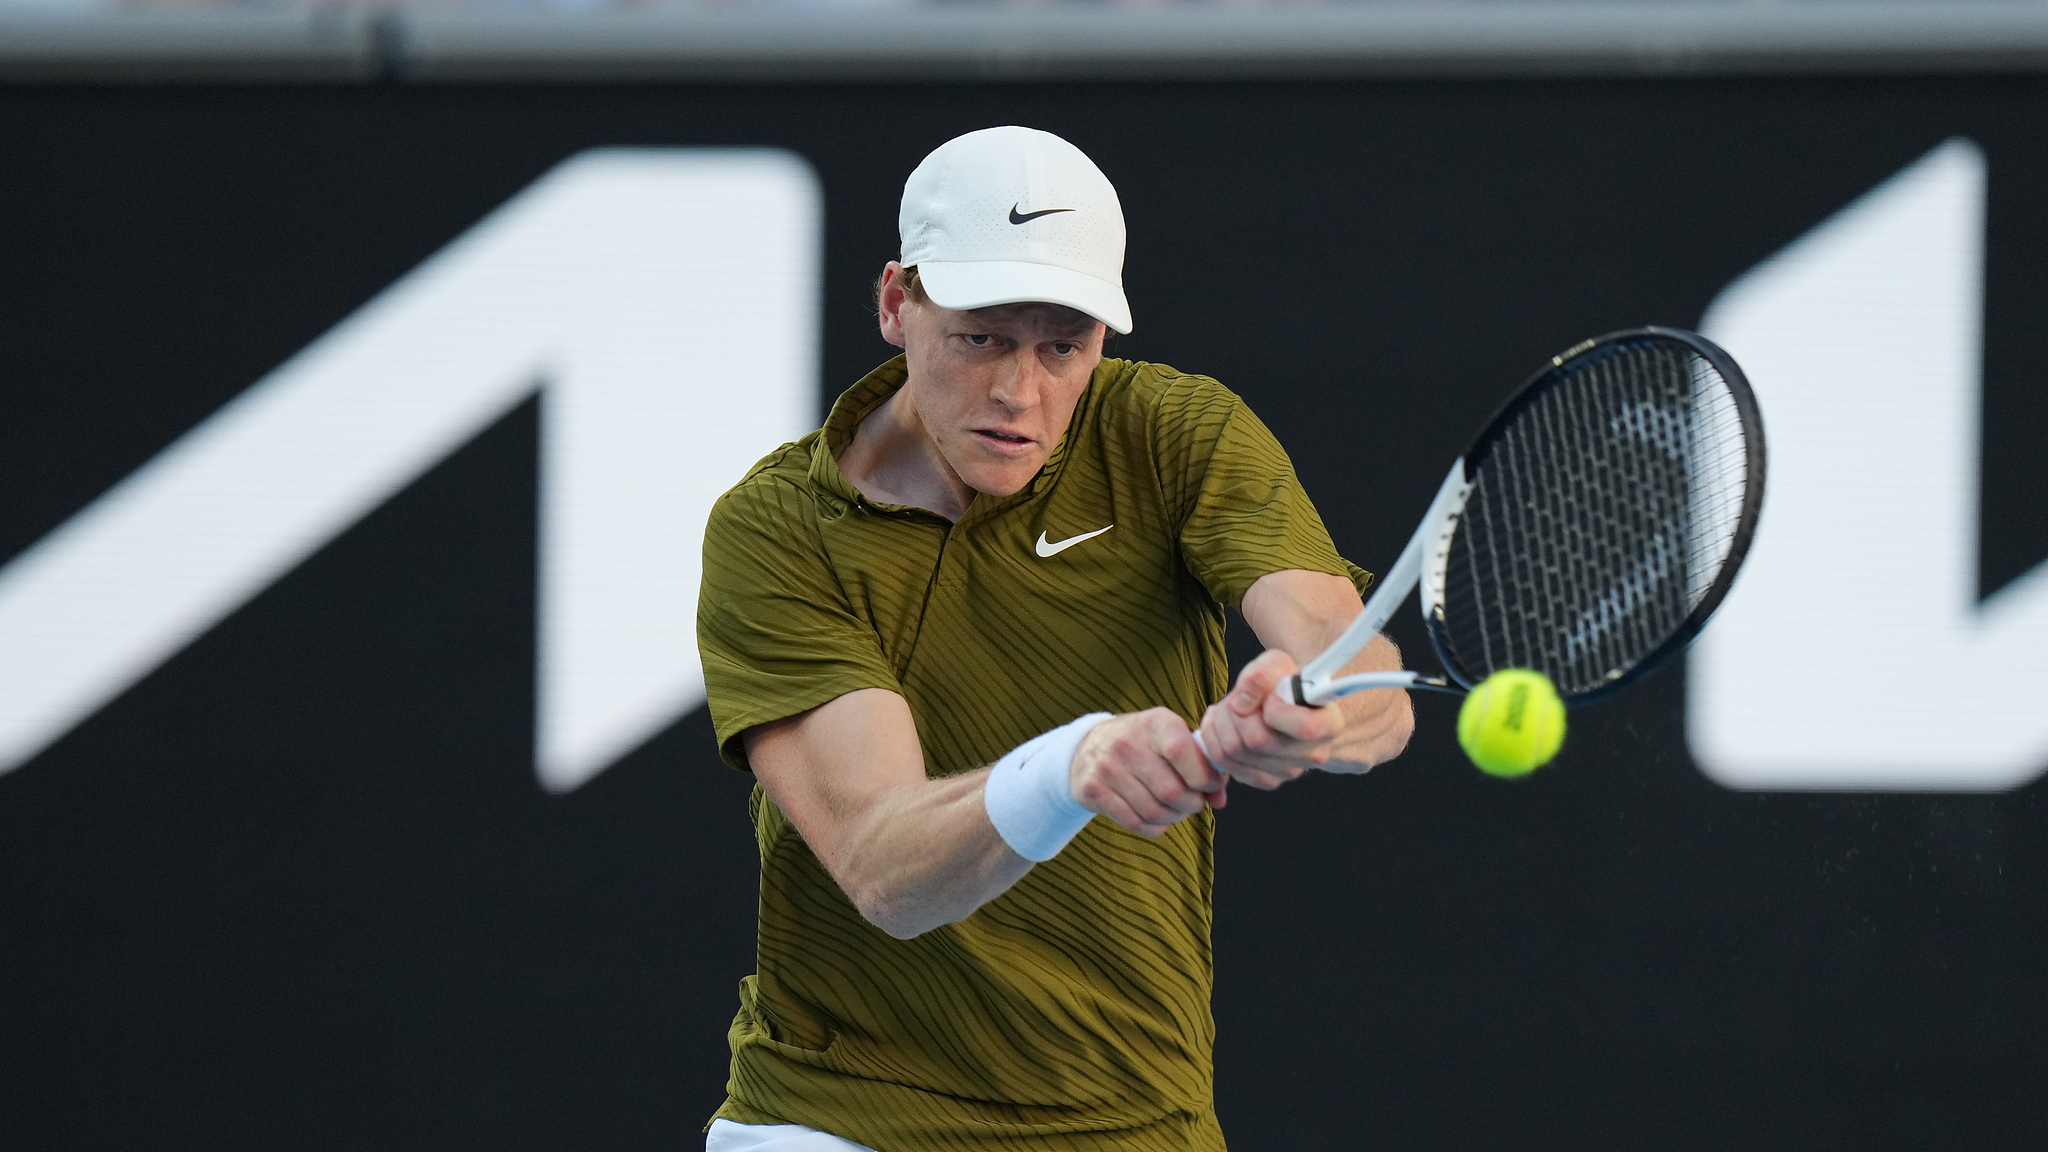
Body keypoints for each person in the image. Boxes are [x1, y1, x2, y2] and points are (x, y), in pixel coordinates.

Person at [696, 126, 1413, 1152]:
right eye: (980, 336)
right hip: (841, 1120)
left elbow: (1359, 672)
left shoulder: (1175, 434)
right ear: (897, 303)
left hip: (1139, 1120)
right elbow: (881, 867)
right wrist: (1071, 766)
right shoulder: (776, 531)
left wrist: (1310, 706)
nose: (1017, 392)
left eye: (1060, 346)